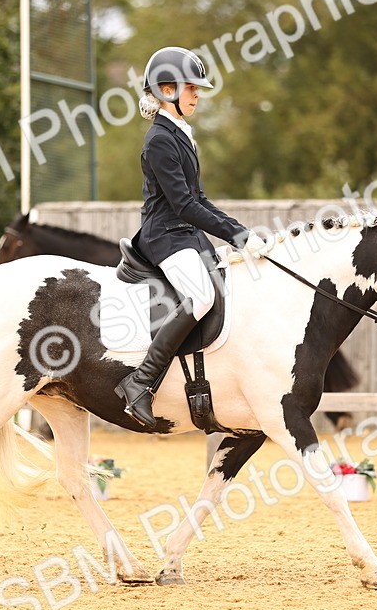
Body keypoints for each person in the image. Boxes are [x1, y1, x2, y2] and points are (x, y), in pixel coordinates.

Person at [115, 46, 271, 428]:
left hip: (184, 234)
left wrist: (242, 233)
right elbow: (184, 205)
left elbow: (200, 199)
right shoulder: (159, 140)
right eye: (191, 88)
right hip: (165, 236)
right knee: (201, 296)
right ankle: (140, 381)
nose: (197, 94)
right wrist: (235, 234)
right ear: (167, 90)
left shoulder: (181, 134)